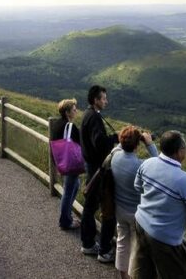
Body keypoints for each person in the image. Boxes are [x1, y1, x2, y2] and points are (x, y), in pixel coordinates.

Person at [131, 131, 186, 279]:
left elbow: (138, 187)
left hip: (141, 223)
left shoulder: (147, 163)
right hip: (164, 238)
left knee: (144, 272)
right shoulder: (185, 180)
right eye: (185, 148)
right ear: (179, 152)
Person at [80, 84, 120, 263]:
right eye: (103, 98)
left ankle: (88, 242)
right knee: (92, 206)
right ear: (95, 100)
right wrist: (115, 138)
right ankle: (90, 244)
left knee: (90, 205)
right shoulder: (94, 118)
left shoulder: (88, 114)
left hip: (91, 165)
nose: (106, 101)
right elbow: (100, 143)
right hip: (97, 167)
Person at [112, 126, 158, 278]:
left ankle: (122, 275)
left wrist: (129, 137)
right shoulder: (139, 166)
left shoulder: (115, 156)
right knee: (135, 248)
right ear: (137, 145)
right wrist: (149, 143)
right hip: (135, 212)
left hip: (119, 208)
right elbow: (157, 163)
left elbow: (120, 145)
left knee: (122, 242)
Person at [50, 99, 83, 231]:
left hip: (61, 161)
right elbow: (82, 143)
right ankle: (65, 222)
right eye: (74, 109)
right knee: (69, 191)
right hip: (71, 164)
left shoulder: (57, 124)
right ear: (68, 112)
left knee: (74, 186)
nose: (76, 111)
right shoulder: (70, 127)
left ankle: (67, 216)